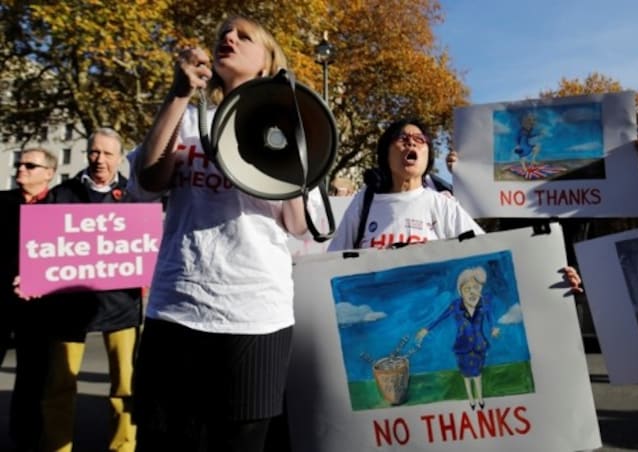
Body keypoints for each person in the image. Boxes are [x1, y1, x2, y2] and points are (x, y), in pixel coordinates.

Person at [128, 16, 309, 451]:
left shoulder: (292, 130)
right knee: (164, 439)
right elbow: (146, 182)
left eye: (243, 36)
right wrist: (178, 94)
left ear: (267, 65)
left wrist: (287, 153)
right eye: (223, 35)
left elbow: (300, 225)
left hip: (256, 315)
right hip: (178, 308)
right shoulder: (188, 121)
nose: (228, 38)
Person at [38, 128, 142, 452]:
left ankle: (122, 448)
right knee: (59, 386)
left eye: (108, 154)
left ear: (120, 158)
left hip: (121, 306)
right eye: (95, 152)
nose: (100, 160)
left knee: (125, 387)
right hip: (68, 309)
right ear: (86, 154)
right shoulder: (61, 194)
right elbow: (39, 247)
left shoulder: (135, 197)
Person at [327, 119, 485, 251]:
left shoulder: (443, 205)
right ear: (385, 153)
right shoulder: (364, 202)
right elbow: (334, 259)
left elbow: (484, 250)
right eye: (402, 138)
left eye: (419, 139)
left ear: (428, 155)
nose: (411, 143)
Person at [0, 148, 57, 451]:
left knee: (32, 380)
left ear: (49, 172)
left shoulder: (61, 206)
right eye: (20, 164)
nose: (21, 169)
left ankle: (25, 438)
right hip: (0, 303)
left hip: (39, 310)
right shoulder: (2, 202)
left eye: (30, 165)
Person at [416, 267, 498, 410]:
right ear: (460, 291)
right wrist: (426, 328)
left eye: (476, 287)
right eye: (467, 289)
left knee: (477, 373)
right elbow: (440, 317)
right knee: (466, 374)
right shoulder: (455, 305)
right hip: (462, 346)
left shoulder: (485, 302)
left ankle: (480, 398)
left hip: (479, 344)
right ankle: (471, 400)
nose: (472, 292)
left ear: (481, 288)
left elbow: (490, 317)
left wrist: (493, 328)